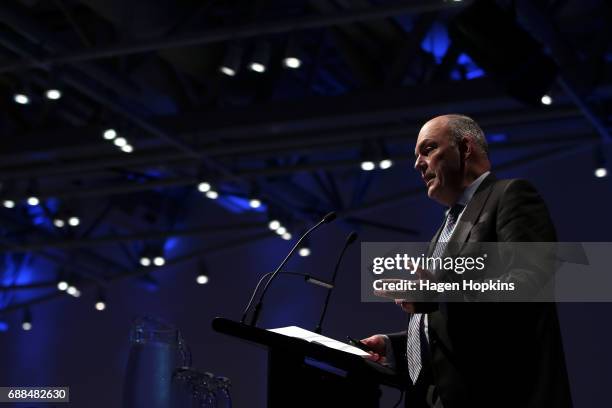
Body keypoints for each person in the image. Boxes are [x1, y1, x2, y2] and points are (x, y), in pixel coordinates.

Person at [362, 114, 572, 408]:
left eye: (428, 149)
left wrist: (437, 294)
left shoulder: (511, 195)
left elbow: (526, 285)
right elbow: (448, 321)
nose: (417, 164)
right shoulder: (443, 231)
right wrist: (395, 346)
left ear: (466, 148)